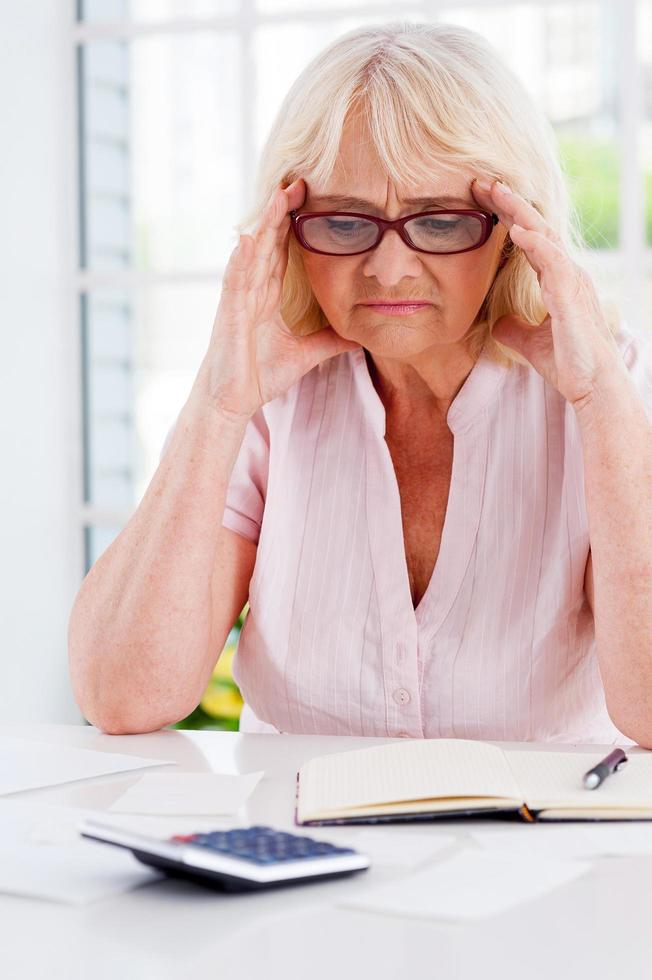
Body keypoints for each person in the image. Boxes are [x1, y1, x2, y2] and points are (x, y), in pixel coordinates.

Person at [68, 21, 652, 745]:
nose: (389, 269)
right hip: (301, 841)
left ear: (513, 229)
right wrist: (216, 407)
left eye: (439, 221)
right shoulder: (267, 395)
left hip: (541, 852)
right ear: (288, 227)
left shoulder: (605, 388)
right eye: (345, 223)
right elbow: (121, 695)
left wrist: (602, 406)